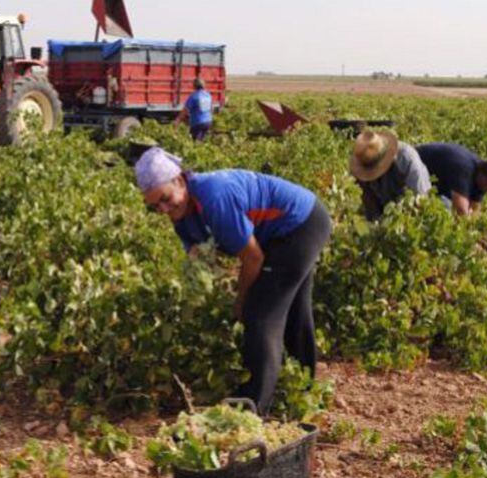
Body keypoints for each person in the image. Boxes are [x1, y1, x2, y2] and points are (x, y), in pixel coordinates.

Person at [134, 147, 331, 414]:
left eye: (166, 199)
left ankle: (254, 407)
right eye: (155, 206)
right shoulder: (181, 217)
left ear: (180, 180)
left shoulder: (215, 197)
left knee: (260, 315)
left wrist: (241, 299)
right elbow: (202, 256)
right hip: (280, 232)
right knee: (293, 307)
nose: (164, 209)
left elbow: (253, 258)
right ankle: (304, 390)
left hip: (300, 225)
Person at [349, 129, 431, 221]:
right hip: (387, 211)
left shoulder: (406, 160)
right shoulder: (363, 162)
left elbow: (420, 201)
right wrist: (377, 223)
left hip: (410, 210)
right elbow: (370, 203)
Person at [416, 142, 487, 216]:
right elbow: (461, 211)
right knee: (441, 210)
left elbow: (474, 209)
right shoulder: (464, 169)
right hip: (411, 171)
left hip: (432, 184)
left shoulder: (481, 178)